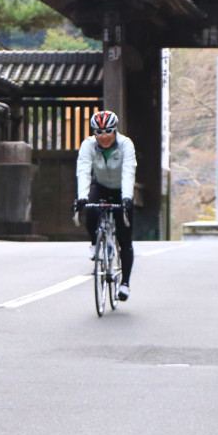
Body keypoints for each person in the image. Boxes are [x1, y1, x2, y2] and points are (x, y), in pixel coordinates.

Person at [75, 110, 137, 301]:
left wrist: (127, 198)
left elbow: (128, 172)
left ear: (115, 131)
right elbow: (84, 169)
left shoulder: (126, 145)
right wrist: (82, 197)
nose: (103, 137)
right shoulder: (88, 145)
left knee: (125, 239)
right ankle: (95, 241)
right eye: (99, 132)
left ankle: (125, 283)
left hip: (120, 189)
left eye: (108, 131)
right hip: (100, 186)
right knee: (91, 210)